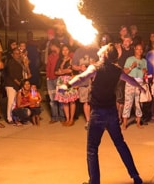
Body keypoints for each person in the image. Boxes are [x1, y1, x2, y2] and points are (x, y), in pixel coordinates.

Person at [59, 43, 144, 184]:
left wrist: (67, 85)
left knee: (92, 149)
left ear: (104, 55)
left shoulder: (95, 67)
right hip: (111, 112)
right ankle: (136, 177)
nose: (101, 48)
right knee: (120, 144)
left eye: (103, 48)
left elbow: (81, 78)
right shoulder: (117, 70)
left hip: (98, 113)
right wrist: (140, 86)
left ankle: (94, 182)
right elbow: (130, 79)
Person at [72, 43, 99, 129]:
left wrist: (95, 64)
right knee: (86, 101)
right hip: (83, 79)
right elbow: (73, 66)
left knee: (96, 101)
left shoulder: (96, 51)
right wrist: (80, 68)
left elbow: (102, 64)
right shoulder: (78, 51)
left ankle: (97, 120)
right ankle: (88, 121)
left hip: (95, 79)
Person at [122, 44, 147, 129]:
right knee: (128, 103)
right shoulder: (130, 59)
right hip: (130, 82)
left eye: (141, 49)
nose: (139, 51)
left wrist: (145, 73)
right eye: (137, 49)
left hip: (139, 83)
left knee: (138, 104)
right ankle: (124, 123)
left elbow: (145, 74)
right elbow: (124, 72)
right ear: (135, 50)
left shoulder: (144, 61)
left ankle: (138, 122)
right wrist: (131, 66)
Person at [55, 44, 79, 126]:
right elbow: (56, 71)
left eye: (66, 50)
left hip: (70, 81)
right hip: (61, 81)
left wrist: (61, 71)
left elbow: (69, 70)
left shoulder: (72, 60)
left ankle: (71, 119)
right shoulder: (59, 60)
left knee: (71, 100)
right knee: (64, 101)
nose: (65, 51)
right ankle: (67, 118)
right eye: (63, 50)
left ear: (69, 51)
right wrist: (64, 64)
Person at [46, 39, 65, 123]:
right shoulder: (50, 56)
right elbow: (48, 67)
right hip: (50, 79)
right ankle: (54, 117)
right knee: (52, 100)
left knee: (60, 98)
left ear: (55, 45)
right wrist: (47, 77)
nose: (50, 47)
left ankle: (62, 116)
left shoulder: (61, 56)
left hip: (59, 79)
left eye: (51, 46)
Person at [4, 48, 24, 124]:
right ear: (12, 54)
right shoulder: (11, 62)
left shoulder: (19, 62)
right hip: (11, 84)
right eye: (15, 53)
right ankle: (9, 118)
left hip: (17, 84)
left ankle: (14, 117)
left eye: (18, 53)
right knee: (11, 101)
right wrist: (19, 83)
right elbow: (11, 74)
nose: (17, 55)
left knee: (15, 102)